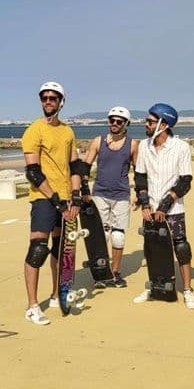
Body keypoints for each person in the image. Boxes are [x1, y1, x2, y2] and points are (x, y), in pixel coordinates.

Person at [21, 82, 83, 325]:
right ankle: (33, 306)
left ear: (61, 102)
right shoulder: (34, 130)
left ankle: (58, 294)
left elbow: (75, 166)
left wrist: (76, 195)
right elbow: (33, 172)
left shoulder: (67, 131)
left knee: (61, 249)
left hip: (66, 199)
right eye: (44, 98)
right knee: (38, 250)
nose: (48, 101)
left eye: (53, 98)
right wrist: (55, 199)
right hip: (44, 199)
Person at [133, 103, 194, 309]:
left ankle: (187, 290)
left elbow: (185, 180)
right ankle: (154, 286)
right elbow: (140, 176)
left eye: (150, 121)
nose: (146, 124)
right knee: (151, 248)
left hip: (173, 209)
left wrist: (166, 204)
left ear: (163, 124)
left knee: (181, 247)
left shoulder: (181, 147)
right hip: (150, 209)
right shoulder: (144, 146)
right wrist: (144, 203)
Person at [82, 107, 139, 288]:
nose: (114, 124)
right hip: (100, 193)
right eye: (112, 120)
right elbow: (86, 166)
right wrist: (83, 189)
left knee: (118, 236)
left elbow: (138, 171)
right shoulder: (98, 141)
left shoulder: (133, 145)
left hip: (121, 194)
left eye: (119, 121)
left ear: (126, 124)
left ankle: (115, 272)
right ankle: (101, 270)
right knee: (101, 234)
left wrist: (140, 193)